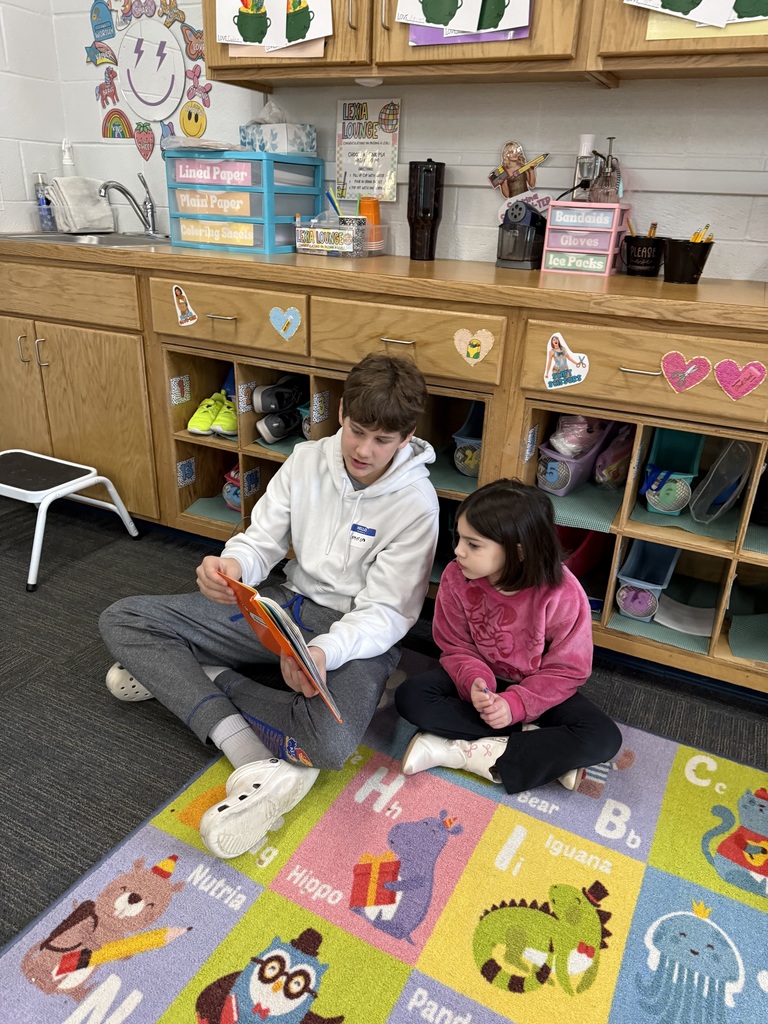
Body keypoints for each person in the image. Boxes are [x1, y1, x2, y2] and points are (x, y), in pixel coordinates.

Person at [99, 354, 439, 859]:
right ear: (342, 411)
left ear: (407, 437)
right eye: (357, 430)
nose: (364, 450)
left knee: (328, 745)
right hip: (282, 607)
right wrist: (234, 567)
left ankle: (210, 677)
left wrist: (323, 652)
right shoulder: (306, 461)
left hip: (354, 633)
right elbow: (261, 541)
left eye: (383, 440)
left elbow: (388, 614)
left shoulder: (417, 504)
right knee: (123, 619)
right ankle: (245, 748)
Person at [395, 479, 622, 794]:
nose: (458, 550)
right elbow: (454, 645)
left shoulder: (562, 593)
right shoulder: (455, 576)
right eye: (459, 537)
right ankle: (537, 745)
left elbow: (568, 669)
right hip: (481, 686)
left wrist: (516, 704)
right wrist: (475, 680)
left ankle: (462, 751)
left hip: (537, 688)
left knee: (603, 738)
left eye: (473, 544)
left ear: (517, 552)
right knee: (411, 697)